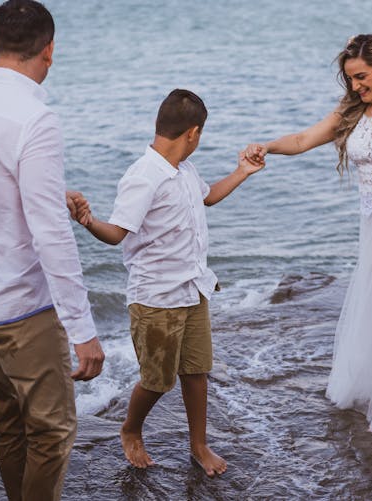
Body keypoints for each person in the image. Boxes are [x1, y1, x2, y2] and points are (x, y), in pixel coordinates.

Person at [0, 1, 104, 499]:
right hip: (18, 313)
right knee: (51, 432)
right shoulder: (36, 118)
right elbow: (51, 233)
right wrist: (82, 328)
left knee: (10, 427)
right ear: (49, 53)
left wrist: (51, 192)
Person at [244, 34, 372, 434]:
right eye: (351, 79)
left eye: (362, 78)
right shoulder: (352, 109)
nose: (357, 87)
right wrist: (267, 147)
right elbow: (305, 139)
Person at [71, 89, 263, 476]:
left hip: (193, 290)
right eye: (201, 134)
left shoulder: (185, 171)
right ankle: (130, 430)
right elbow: (118, 233)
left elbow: (207, 199)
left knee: (196, 371)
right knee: (158, 381)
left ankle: (199, 445)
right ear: (193, 133)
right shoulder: (144, 176)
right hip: (156, 298)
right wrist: (89, 221)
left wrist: (243, 172)